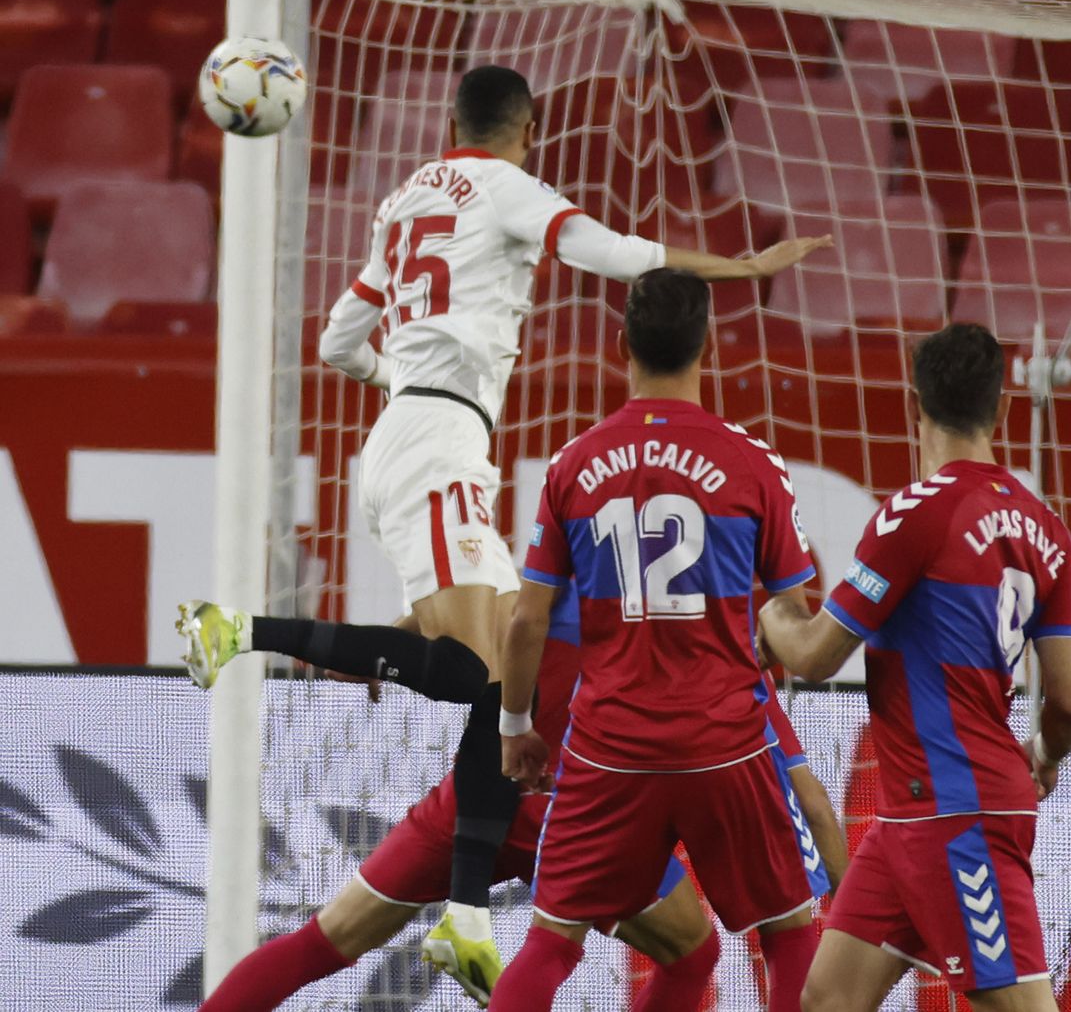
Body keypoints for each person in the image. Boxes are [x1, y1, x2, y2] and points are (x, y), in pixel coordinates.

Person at [176, 63, 830, 996]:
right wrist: (745, 267)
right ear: (531, 132)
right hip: (451, 464)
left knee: (461, 680)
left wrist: (406, 385)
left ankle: (298, 655)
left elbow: (333, 343)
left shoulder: (404, 198)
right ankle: (465, 914)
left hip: (413, 429)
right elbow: (612, 252)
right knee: (489, 685)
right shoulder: (510, 189)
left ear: (451, 120)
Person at [192, 583, 849, 1012]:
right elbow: (812, 801)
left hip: (476, 797)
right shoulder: (714, 662)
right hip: (578, 815)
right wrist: (852, 913)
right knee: (687, 949)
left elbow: (458, 609)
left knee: (325, 939)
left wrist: (387, 639)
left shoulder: (553, 589)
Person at [495, 268, 831, 1012]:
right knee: (789, 930)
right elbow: (796, 608)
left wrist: (516, 726)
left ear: (622, 345)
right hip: (727, 740)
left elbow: (526, 619)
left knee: (552, 941)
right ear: (708, 346)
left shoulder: (574, 463)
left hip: (609, 742)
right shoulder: (752, 462)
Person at [758, 322, 1071, 1011]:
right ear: (1000, 407)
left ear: (917, 403)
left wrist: (769, 619)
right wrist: (1046, 753)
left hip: (955, 810)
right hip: (917, 815)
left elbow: (817, 655)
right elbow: (1070, 698)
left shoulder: (911, 514)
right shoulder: (1044, 524)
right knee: (826, 998)